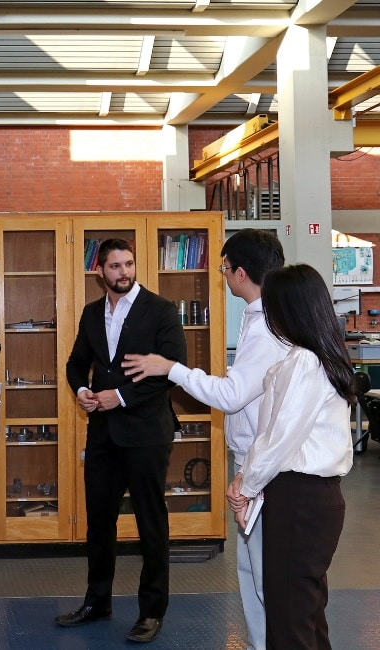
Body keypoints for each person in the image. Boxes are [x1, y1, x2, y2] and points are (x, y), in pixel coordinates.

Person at [121, 228, 288, 650]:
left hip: (264, 466)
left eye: (224, 268)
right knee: (252, 572)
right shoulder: (260, 316)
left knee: (267, 575)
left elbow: (231, 395)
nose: (222, 275)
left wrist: (169, 367)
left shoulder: (268, 326)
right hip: (253, 460)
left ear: (241, 272)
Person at [58, 238, 187, 644]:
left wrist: (122, 397)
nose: (124, 272)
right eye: (115, 266)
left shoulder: (161, 311)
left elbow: (172, 371)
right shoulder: (92, 314)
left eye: (129, 264)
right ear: (100, 272)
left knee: (151, 524)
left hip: (147, 433)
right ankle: (98, 602)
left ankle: (152, 612)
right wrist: (82, 391)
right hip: (102, 435)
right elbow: (77, 363)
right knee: (99, 524)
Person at [227, 264, 354, 650]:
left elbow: (279, 438)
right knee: (304, 613)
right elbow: (272, 431)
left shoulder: (306, 362)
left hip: (300, 496)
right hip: (305, 498)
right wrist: (246, 479)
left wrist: (244, 485)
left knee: (289, 618)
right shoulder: (307, 358)